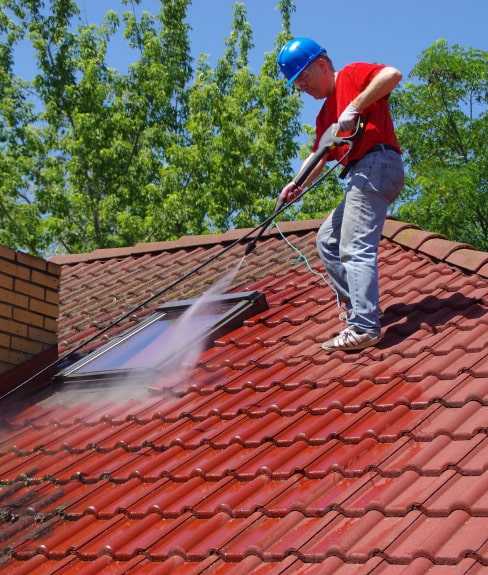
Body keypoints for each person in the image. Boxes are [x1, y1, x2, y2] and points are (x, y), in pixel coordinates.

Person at [277, 37, 405, 352]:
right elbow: (320, 155)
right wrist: (297, 184)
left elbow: (392, 74)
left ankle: (364, 326)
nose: (302, 88)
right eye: (297, 84)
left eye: (303, 78)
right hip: (362, 174)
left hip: (377, 163)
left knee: (353, 245)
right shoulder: (324, 116)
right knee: (327, 241)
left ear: (322, 64)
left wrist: (355, 106)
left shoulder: (350, 75)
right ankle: (359, 311)